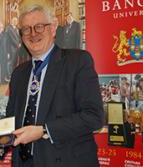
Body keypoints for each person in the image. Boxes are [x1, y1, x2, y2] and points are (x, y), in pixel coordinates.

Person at [6, 4, 104, 167]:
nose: (33, 34)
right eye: (26, 29)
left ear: (53, 28)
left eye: (39, 27)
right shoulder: (18, 74)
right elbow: (10, 120)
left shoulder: (78, 62)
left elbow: (94, 117)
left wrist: (44, 130)